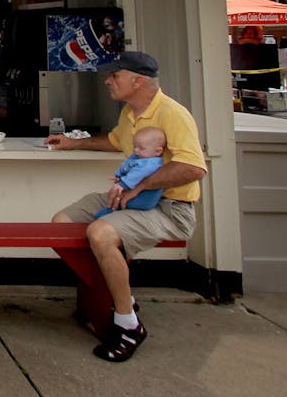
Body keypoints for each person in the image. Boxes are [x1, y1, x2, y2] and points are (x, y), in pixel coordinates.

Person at [48, 51, 206, 363]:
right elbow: (116, 142)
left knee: (101, 233)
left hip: (170, 208)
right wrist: (72, 142)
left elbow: (194, 167)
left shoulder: (173, 113)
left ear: (138, 80)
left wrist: (140, 187)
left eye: (115, 76)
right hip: (128, 199)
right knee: (61, 222)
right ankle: (106, 299)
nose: (107, 81)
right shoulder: (131, 113)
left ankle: (128, 325)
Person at [92, 127, 166, 218]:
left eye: (141, 148)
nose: (136, 150)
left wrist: (123, 183)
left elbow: (138, 174)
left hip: (145, 199)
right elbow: (127, 167)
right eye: (135, 146)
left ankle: (108, 213)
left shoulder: (152, 163)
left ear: (158, 151)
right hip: (135, 193)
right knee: (118, 199)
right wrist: (120, 176)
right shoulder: (139, 157)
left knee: (120, 202)